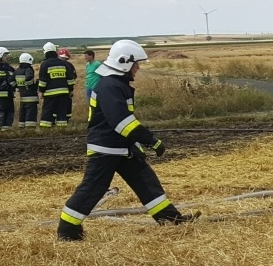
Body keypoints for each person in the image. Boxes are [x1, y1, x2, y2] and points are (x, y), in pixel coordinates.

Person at [57, 40, 194, 241]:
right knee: (92, 189)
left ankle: (170, 219)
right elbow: (121, 122)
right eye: (136, 64)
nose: (138, 68)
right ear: (125, 63)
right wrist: (150, 140)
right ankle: (67, 230)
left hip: (121, 147)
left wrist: (137, 143)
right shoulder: (110, 86)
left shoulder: (116, 84)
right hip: (106, 148)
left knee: (146, 182)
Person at [38, 42, 76, 128]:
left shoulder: (45, 64)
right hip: (64, 92)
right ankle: (62, 128)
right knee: (62, 111)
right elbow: (70, 79)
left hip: (49, 93)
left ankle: (45, 128)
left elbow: (43, 81)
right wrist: (70, 90)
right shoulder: (63, 63)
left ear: (45, 52)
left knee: (48, 111)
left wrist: (41, 91)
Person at [14, 53, 40, 128]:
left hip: (22, 96)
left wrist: (18, 87)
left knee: (23, 112)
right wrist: (34, 86)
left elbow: (11, 80)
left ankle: (21, 126)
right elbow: (28, 79)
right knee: (31, 112)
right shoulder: (28, 69)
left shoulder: (17, 70)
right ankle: (30, 128)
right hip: (31, 96)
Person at [82, 49, 99, 115]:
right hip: (88, 86)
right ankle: (92, 115)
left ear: (91, 56)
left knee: (95, 102)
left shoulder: (97, 64)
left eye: (86, 56)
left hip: (95, 86)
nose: (85, 58)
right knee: (89, 102)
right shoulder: (87, 64)